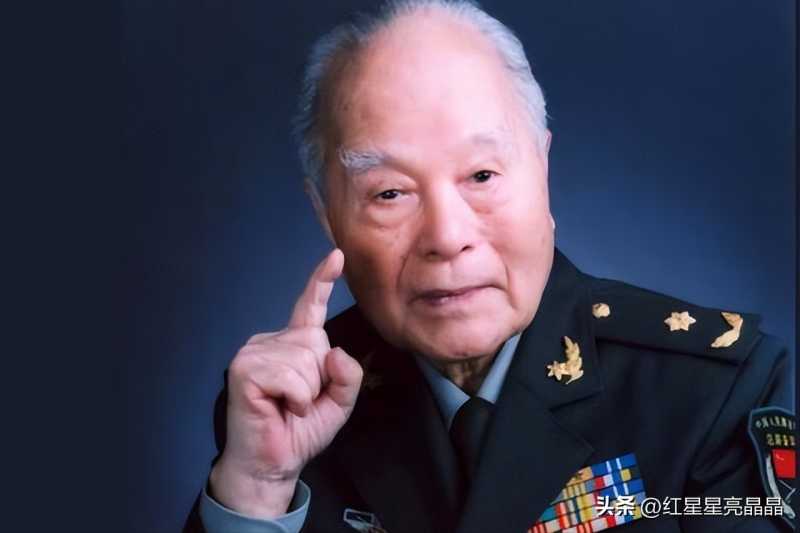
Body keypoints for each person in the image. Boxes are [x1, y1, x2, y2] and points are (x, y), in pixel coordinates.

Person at [184, 1, 794, 531]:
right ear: (326, 214)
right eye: (390, 193)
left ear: (542, 169)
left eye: (481, 175)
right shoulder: (284, 414)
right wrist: (257, 490)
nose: (447, 238)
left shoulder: (712, 393)